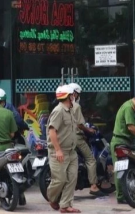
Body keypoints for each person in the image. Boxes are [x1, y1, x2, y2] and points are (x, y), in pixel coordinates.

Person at [110, 92, 135, 204]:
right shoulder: (128, 107)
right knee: (120, 169)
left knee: (124, 168)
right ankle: (121, 196)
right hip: (120, 141)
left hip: (125, 141)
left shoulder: (129, 106)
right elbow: (131, 127)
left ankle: (124, 195)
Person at [46, 84, 81, 213]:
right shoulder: (58, 111)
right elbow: (52, 131)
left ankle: (65, 205)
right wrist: (58, 150)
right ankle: (52, 197)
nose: (74, 97)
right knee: (60, 179)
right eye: (72, 94)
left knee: (72, 178)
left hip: (71, 151)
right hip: (59, 152)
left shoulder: (71, 109)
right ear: (68, 96)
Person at [68, 83, 106, 197]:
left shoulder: (61, 106)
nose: (79, 97)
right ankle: (93, 186)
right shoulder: (75, 106)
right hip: (76, 137)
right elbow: (80, 125)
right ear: (74, 93)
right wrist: (88, 130)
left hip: (65, 137)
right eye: (78, 94)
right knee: (90, 159)